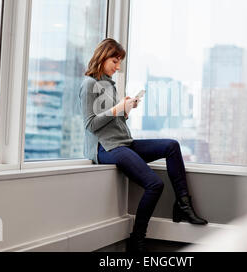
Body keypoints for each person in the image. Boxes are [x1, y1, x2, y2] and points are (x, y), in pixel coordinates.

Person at [79, 38, 208, 253]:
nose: (118, 67)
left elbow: (114, 121)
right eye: (115, 61)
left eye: (119, 62)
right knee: (154, 184)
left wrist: (126, 110)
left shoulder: (109, 84)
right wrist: (118, 108)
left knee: (172, 146)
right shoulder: (89, 84)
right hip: (105, 148)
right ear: (102, 57)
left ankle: (183, 205)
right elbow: (90, 124)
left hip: (123, 143)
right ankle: (137, 239)